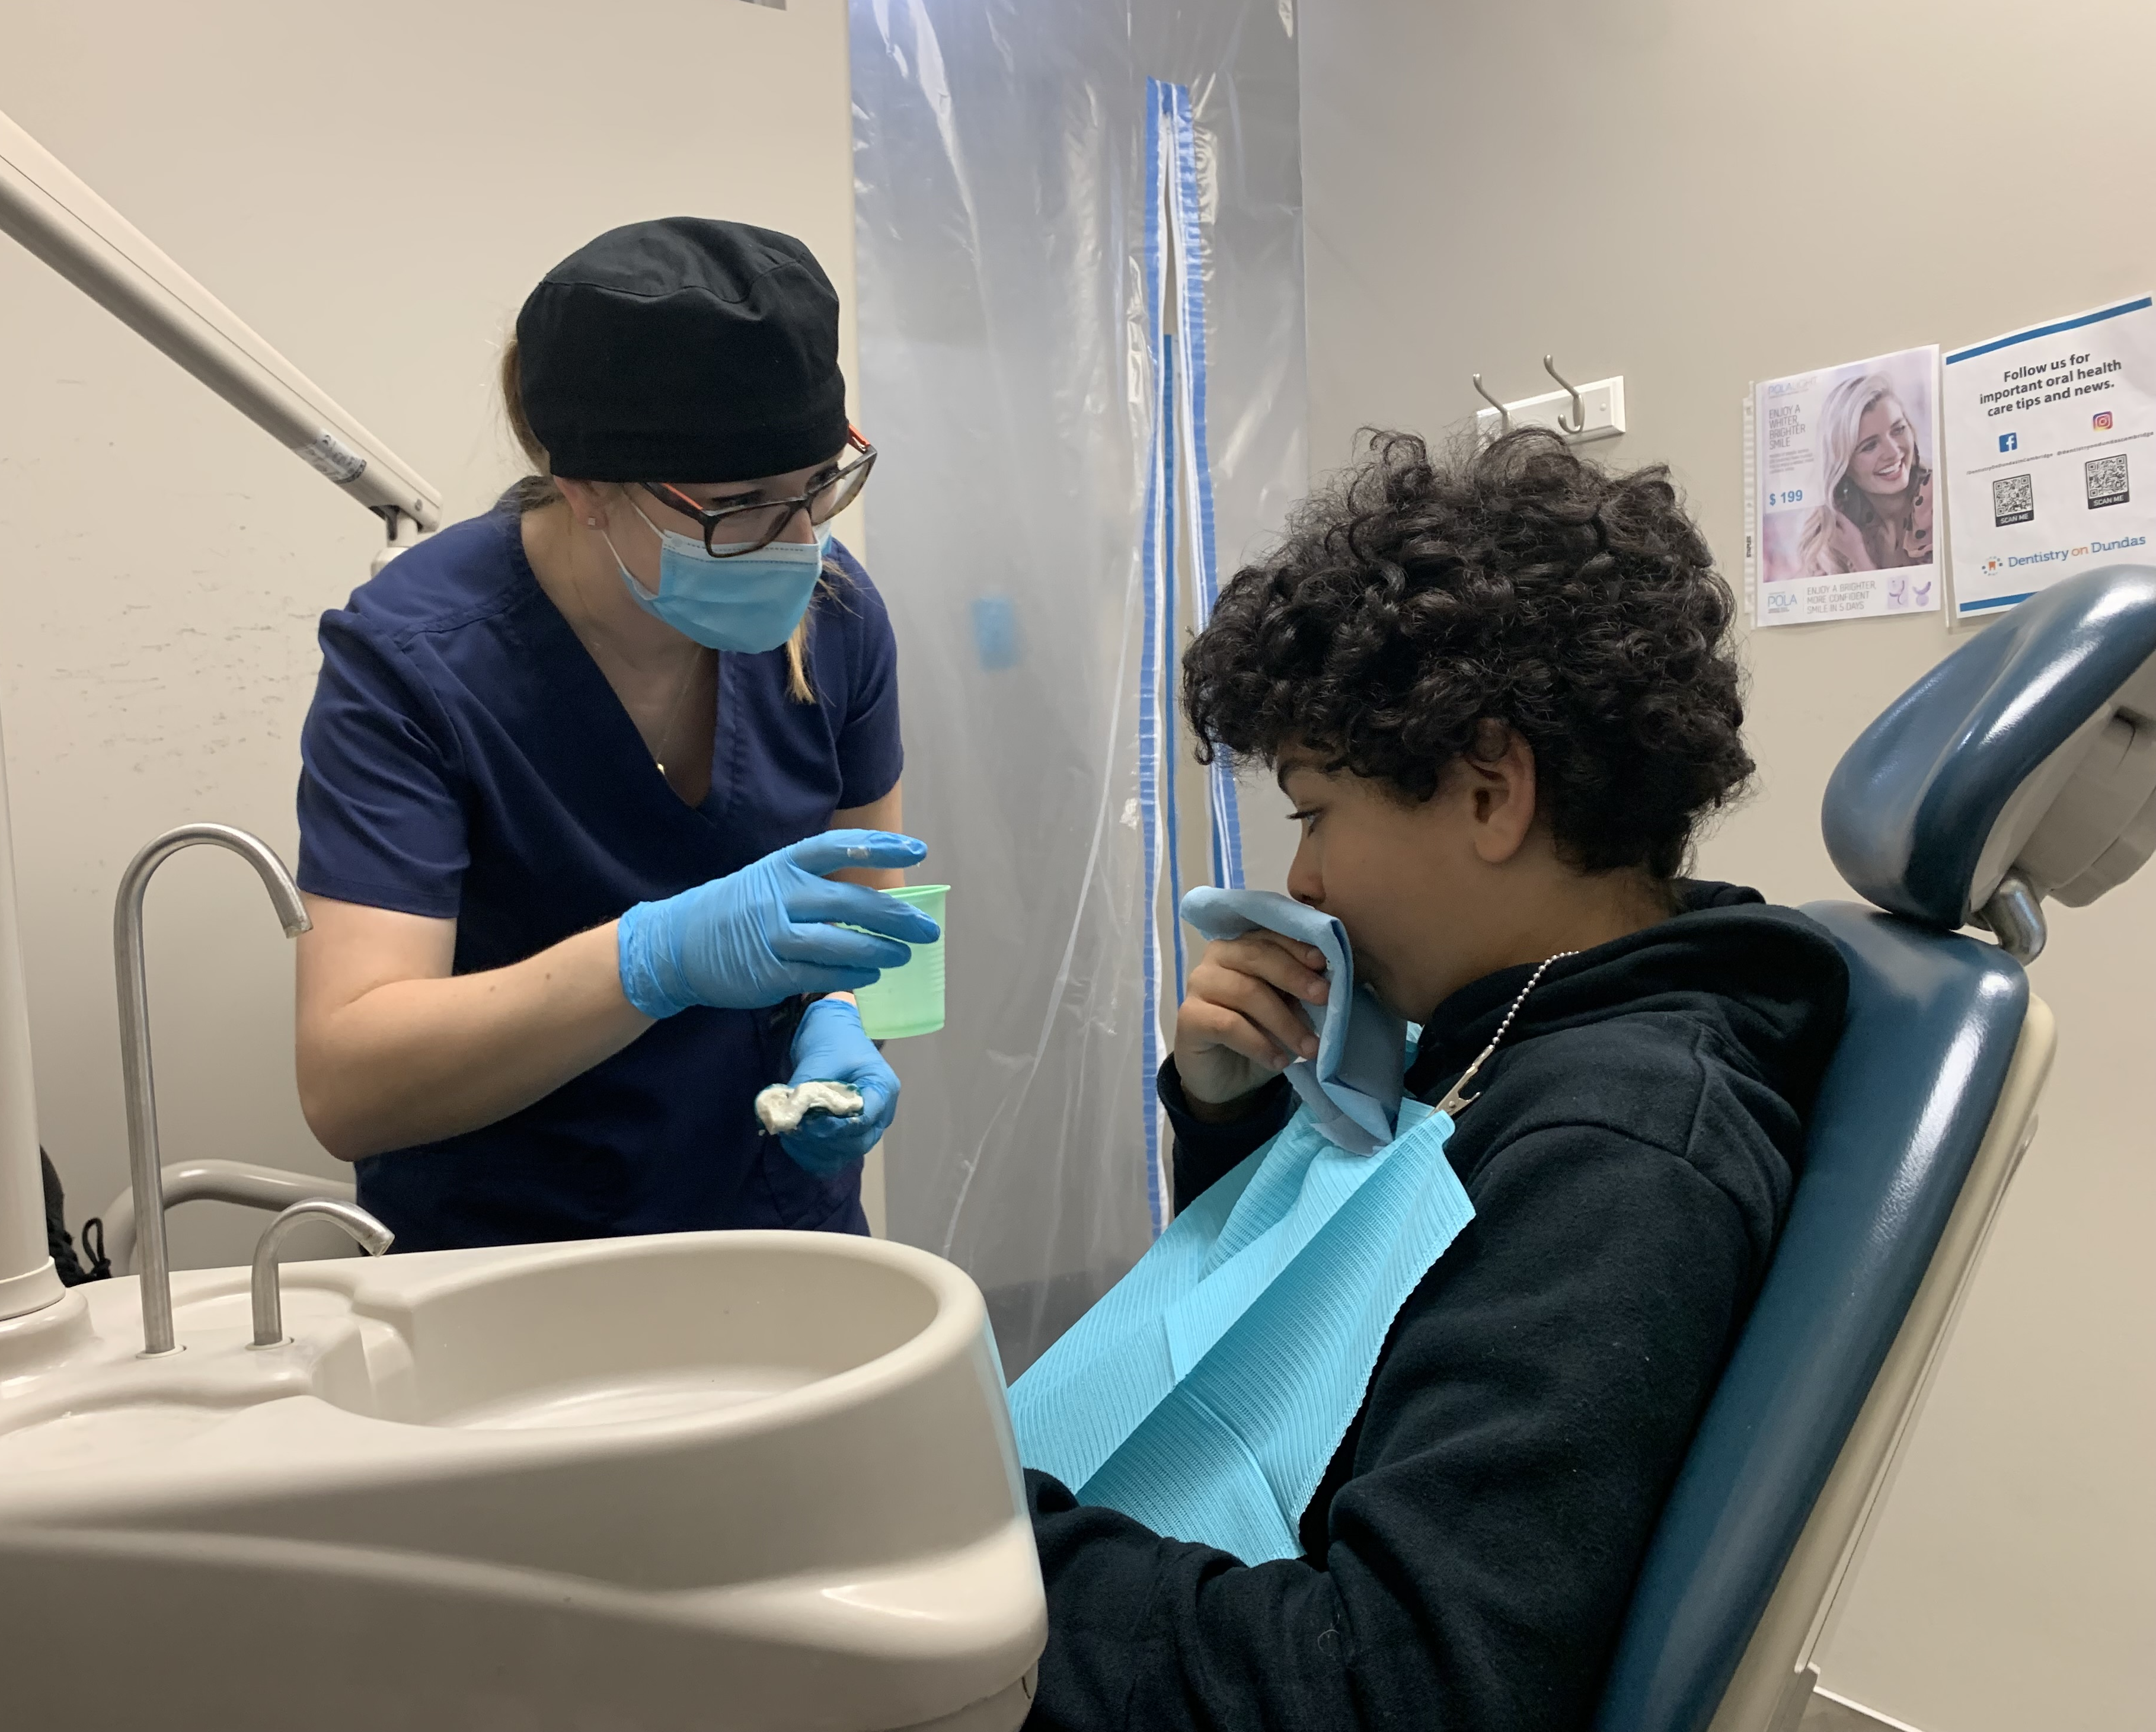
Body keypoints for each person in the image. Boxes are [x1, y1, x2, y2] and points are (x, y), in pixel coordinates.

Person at [1024, 431, 1851, 1732]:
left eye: (1312, 815)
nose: (1299, 886)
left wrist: (992, 1548)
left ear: (1488, 789)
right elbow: (1353, 1340)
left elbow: (1397, 1690)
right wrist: (1237, 1115)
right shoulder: (1512, 1023)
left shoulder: (1615, 1152)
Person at [289, 217, 936, 1251]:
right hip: (512, 1267)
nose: (803, 543)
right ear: (588, 488)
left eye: (819, 484)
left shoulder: (839, 618)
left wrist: (840, 1019)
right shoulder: (415, 664)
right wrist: (654, 957)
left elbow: (868, 919)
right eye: (742, 506)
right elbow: (349, 1081)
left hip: (780, 1235)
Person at [1794, 372, 1935, 575]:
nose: (1894, 452)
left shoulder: (1938, 497)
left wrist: (1859, 558)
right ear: (1844, 465)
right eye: (1870, 446)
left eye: (1898, 430)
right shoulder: (1835, 534)